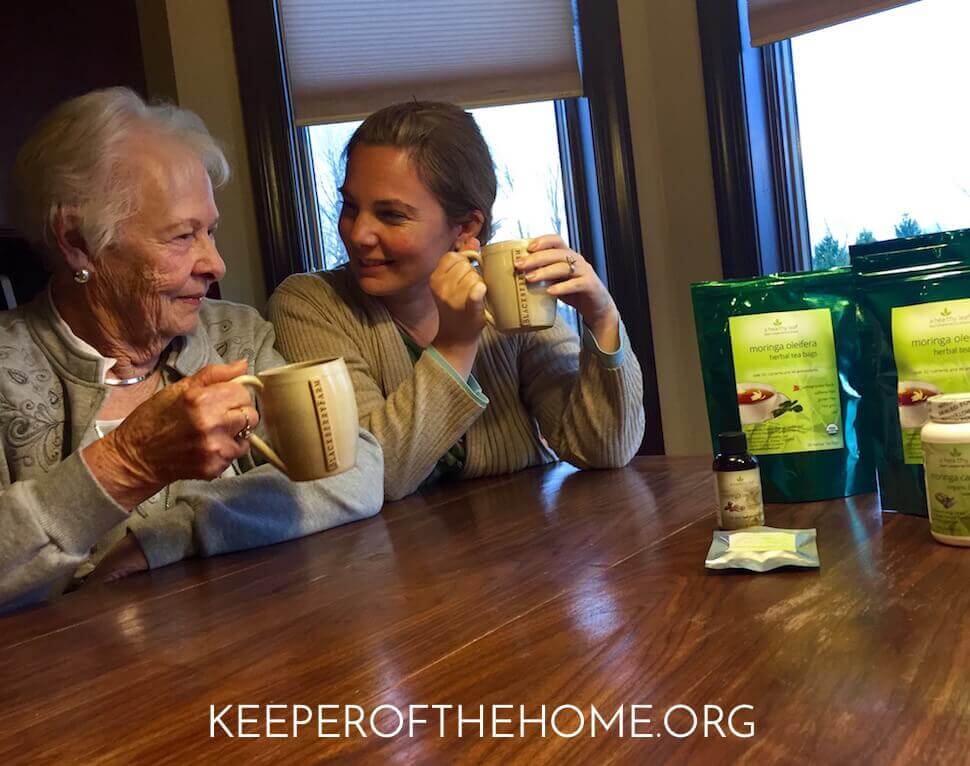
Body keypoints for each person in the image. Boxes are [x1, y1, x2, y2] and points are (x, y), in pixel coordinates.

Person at [0, 88, 384, 612]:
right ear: (77, 242)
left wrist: (168, 536)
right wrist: (128, 463)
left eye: (211, 231)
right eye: (183, 236)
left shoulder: (233, 336)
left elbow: (355, 469)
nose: (216, 264)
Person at [268, 101, 644, 501]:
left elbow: (602, 449)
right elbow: (369, 478)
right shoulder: (310, 304)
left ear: (466, 227)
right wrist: (455, 346)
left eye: (391, 215)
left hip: (527, 542)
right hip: (385, 558)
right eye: (350, 206)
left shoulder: (506, 290)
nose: (358, 234)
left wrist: (603, 319)